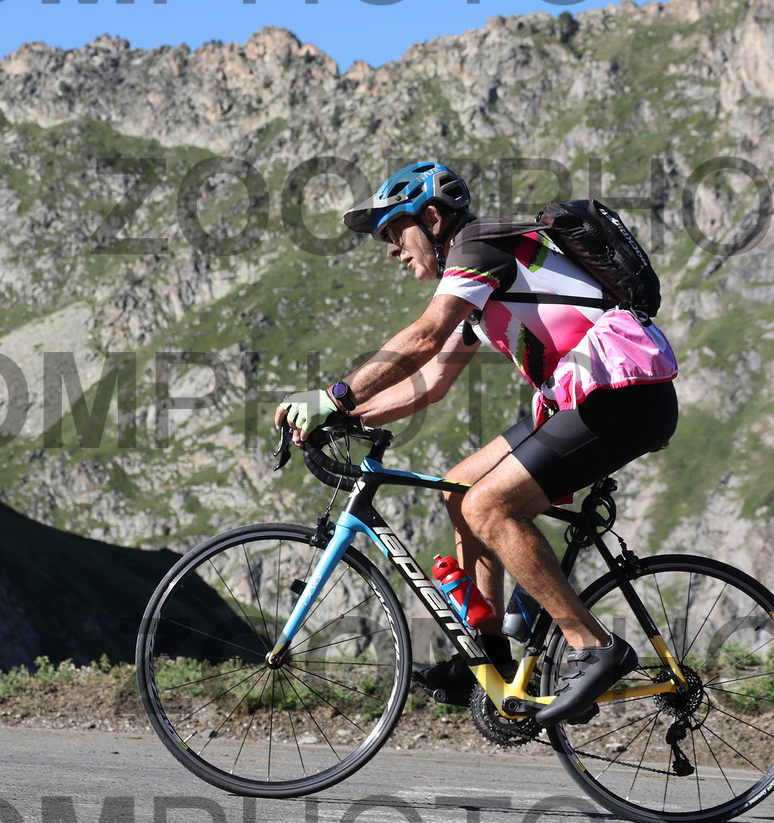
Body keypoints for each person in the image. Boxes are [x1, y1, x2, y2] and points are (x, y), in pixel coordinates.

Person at [274, 161, 678, 725]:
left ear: (432, 217)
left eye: (394, 232)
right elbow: (431, 382)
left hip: (623, 396)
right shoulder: (477, 281)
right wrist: (346, 418)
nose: (391, 250)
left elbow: (425, 335)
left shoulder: (480, 245)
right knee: (459, 487)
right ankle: (487, 655)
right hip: (590, 398)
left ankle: (594, 646)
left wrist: (335, 395)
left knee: (489, 506)